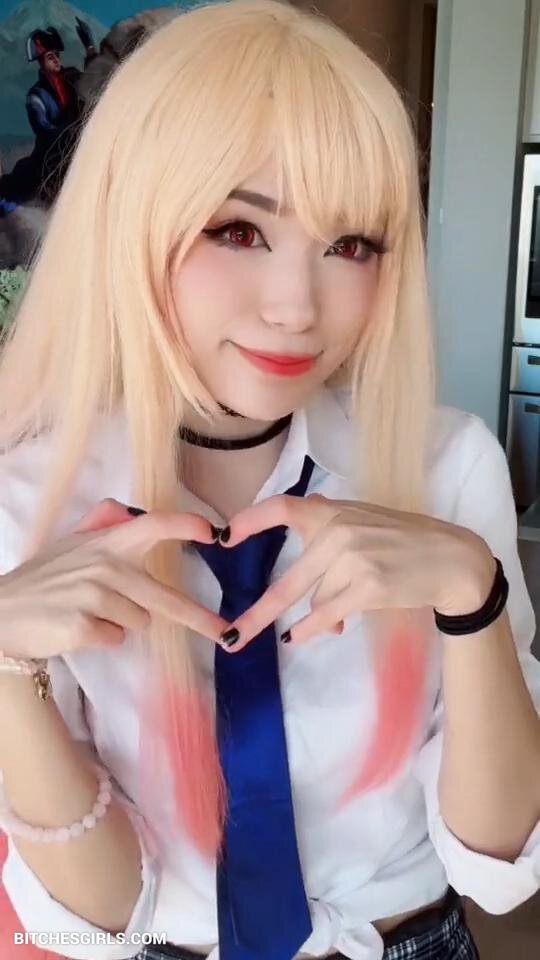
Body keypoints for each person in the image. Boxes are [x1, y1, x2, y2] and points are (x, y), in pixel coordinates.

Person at [0, 2, 538, 960]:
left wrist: (474, 596)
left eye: (351, 245)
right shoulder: (27, 496)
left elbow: (500, 866)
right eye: (238, 230)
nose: (297, 307)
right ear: (130, 220)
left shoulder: (446, 466)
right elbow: (106, 920)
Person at [0, 20, 97, 215]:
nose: (56, 60)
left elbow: (93, 82)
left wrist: (90, 48)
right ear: (41, 62)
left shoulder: (72, 77)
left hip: (84, 144)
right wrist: (71, 134)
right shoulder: (36, 95)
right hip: (52, 156)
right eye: (51, 57)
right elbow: (43, 129)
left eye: (57, 55)